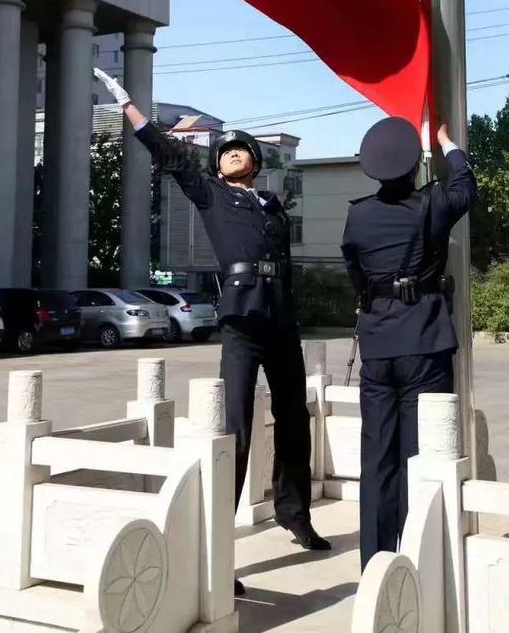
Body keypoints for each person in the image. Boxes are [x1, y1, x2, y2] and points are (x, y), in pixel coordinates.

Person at [93, 68, 331, 595]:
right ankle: (217, 540)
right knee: (235, 426)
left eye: (241, 150)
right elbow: (169, 154)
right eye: (225, 152)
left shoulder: (272, 204)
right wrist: (131, 107)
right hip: (242, 319)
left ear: (256, 163)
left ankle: (296, 514)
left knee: (294, 419)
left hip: (280, 315)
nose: (231, 154)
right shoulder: (210, 194)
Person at [341, 116, 477, 569]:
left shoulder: (357, 215)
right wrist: (446, 144)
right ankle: (416, 559)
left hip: (378, 345)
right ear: (413, 166)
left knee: (377, 457)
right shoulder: (429, 204)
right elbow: (465, 187)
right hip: (423, 338)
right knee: (419, 454)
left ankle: (376, 567)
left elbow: (356, 276)